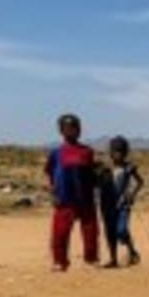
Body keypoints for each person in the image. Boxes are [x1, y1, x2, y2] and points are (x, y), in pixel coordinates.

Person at [44, 114, 99, 271]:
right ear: (61, 130)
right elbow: (50, 174)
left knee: (90, 232)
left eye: (76, 127)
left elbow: (91, 174)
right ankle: (60, 262)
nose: (74, 130)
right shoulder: (56, 153)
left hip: (85, 198)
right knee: (60, 233)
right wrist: (53, 193)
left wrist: (99, 176)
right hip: (64, 198)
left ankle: (91, 260)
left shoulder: (87, 152)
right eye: (69, 127)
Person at [111, 136, 145, 266]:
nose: (117, 155)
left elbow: (140, 182)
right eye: (114, 151)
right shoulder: (108, 168)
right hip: (110, 205)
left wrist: (132, 195)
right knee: (114, 232)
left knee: (122, 230)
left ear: (125, 153)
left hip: (124, 204)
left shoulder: (129, 168)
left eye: (120, 152)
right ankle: (119, 257)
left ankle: (132, 252)